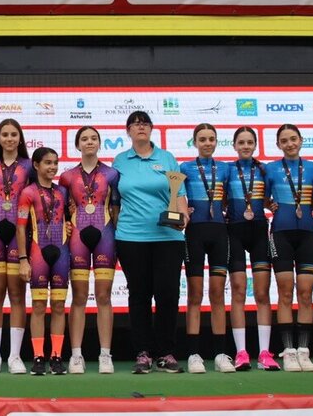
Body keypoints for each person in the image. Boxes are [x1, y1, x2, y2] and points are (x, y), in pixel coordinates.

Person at [112, 111, 187, 374]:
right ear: (128, 131)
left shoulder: (166, 158)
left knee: (167, 294)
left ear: (152, 129)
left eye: (144, 123)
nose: (140, 127)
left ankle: (166, 352)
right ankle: (142, 352)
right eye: (135, 123)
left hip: (168, 238)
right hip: (131, 238)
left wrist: (183, 216)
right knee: (139, 295)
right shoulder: (120, 161)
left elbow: (179, 194)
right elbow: (115, 203)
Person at [60, 126, 119, 374]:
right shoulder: (66, 176)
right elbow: (60, 210)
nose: (89, 142)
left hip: (106, 235)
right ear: (77, 145)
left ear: (99, 143)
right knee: (79, 297)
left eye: (93, 138)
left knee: (104, 297)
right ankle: (76, 355)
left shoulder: (112, 174)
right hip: (77, 239)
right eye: (84, 139)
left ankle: (105, 355)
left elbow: (116, 209)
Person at [179, 123, 235, 374]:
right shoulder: (185, 168)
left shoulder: (226, 168)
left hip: (219, 233)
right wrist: (183, 210)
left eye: (211, 139)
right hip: (195, 233)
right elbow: (175, 196)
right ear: (194, 142)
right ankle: (193, 354)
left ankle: (221, 354)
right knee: (194, 294)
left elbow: (235, 195)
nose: (207, 143)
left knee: (217, 294)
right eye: (202, 139)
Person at [265, 123, 313, 372]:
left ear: (301, 141)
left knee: (306, 294)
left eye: (293, 139)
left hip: (308, 233)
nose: (289, 143)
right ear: (278, 145)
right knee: (285, 292)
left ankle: (304, 351)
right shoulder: (271, 169)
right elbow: (260, 196)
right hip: (281, 233)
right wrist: (271, 204)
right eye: (284, 140)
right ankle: (288, 351)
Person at [0, 119, 32, 374]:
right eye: (5, 134)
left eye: (14, 134)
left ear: (20, 138)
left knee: (17, 293)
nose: (10, 138)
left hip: (19, 233)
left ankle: (14, 356)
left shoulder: (29, 166)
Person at [226, 127, 279, 371]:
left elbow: (270, 198)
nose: (245, 146)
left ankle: (265, 353)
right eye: (241, 143)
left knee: (262, 293)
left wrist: (273, 204)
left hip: (259, 231)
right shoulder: (227, 170)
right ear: (235, 146)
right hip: (234, 231)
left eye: (249, 142)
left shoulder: (265, 171)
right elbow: (220, 197)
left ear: (255, 145)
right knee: (238, 291)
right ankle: (241, 353)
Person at [17, 147, 70, 376]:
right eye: (47, 162)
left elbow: (71, 217)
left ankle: (56, 356)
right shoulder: (27, 192)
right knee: (38, 306)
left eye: (55, 163)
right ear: (36, 165)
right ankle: (38, 356)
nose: (52, 167)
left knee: (58, 306)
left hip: (61, 252)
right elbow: (20, 228)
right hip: (37, 253)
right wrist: (22, 259)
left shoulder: (63, 192)